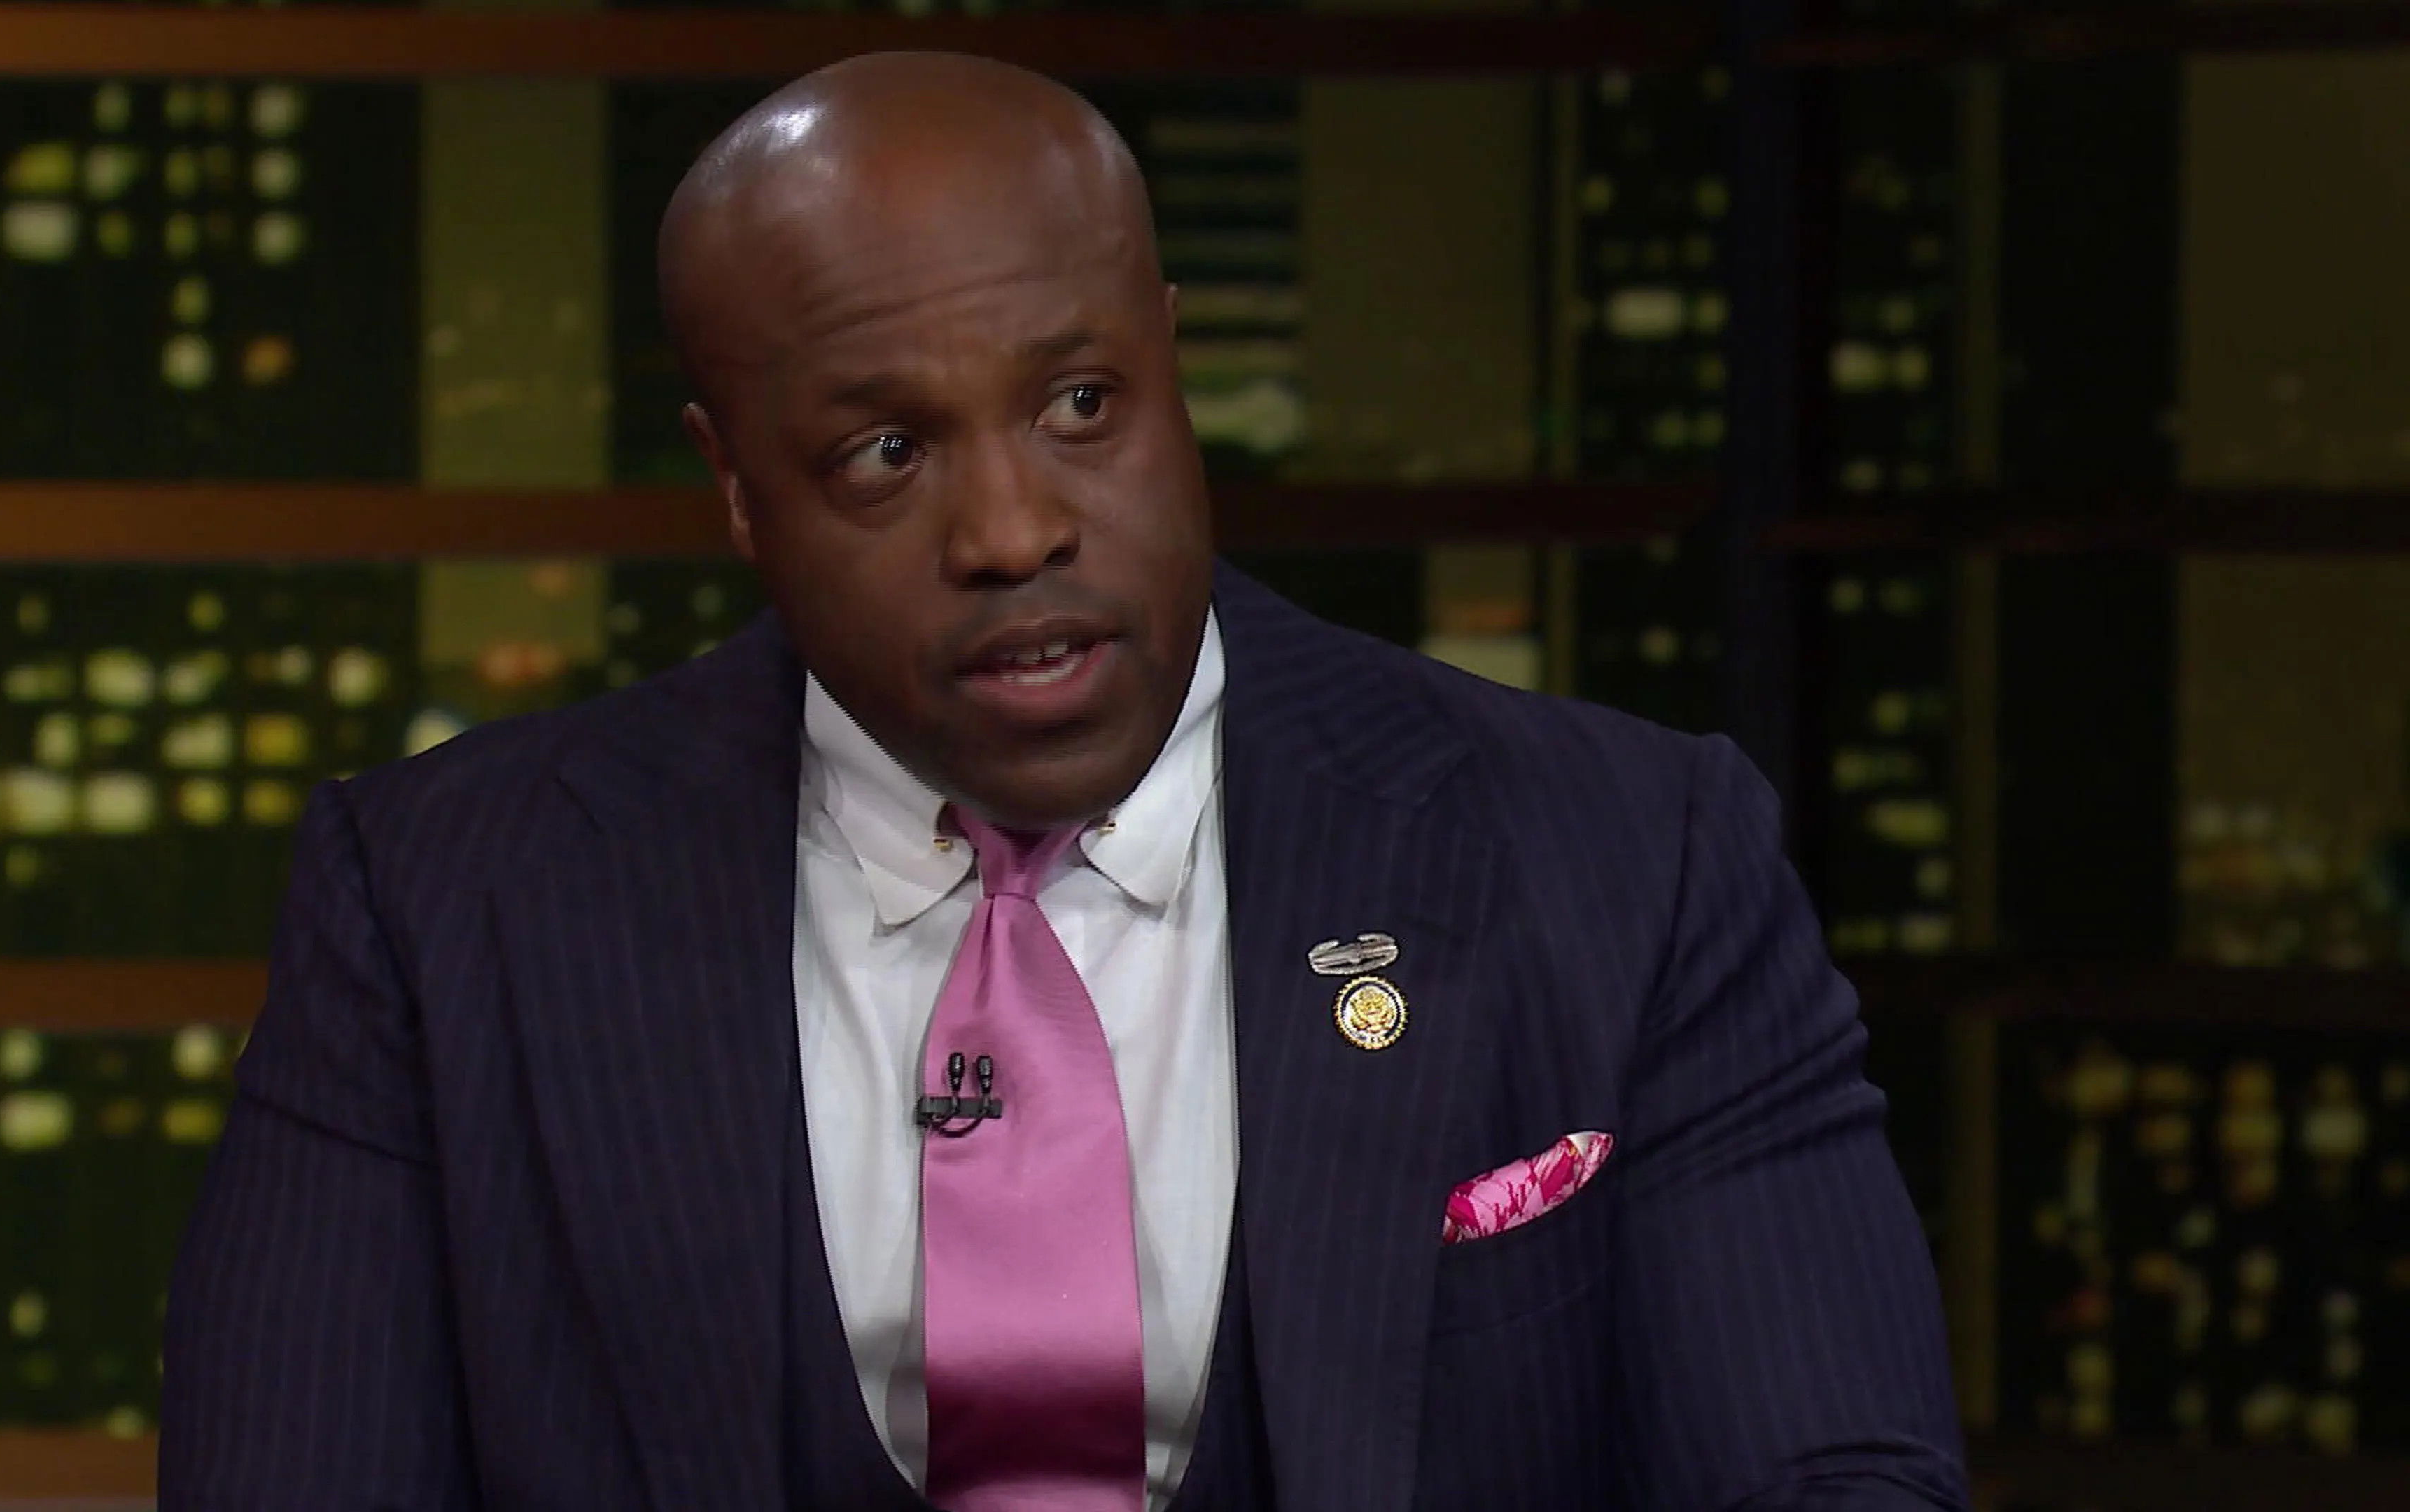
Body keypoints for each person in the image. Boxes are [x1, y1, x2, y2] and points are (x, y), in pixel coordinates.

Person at [161, 51, 1966, 1512]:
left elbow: (1835, 1473)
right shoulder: (439, 907)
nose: (1015, 529)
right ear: (735, 486)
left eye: (1083, 405)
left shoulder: (1630, 858)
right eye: (886, 451)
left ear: (1172, 359)